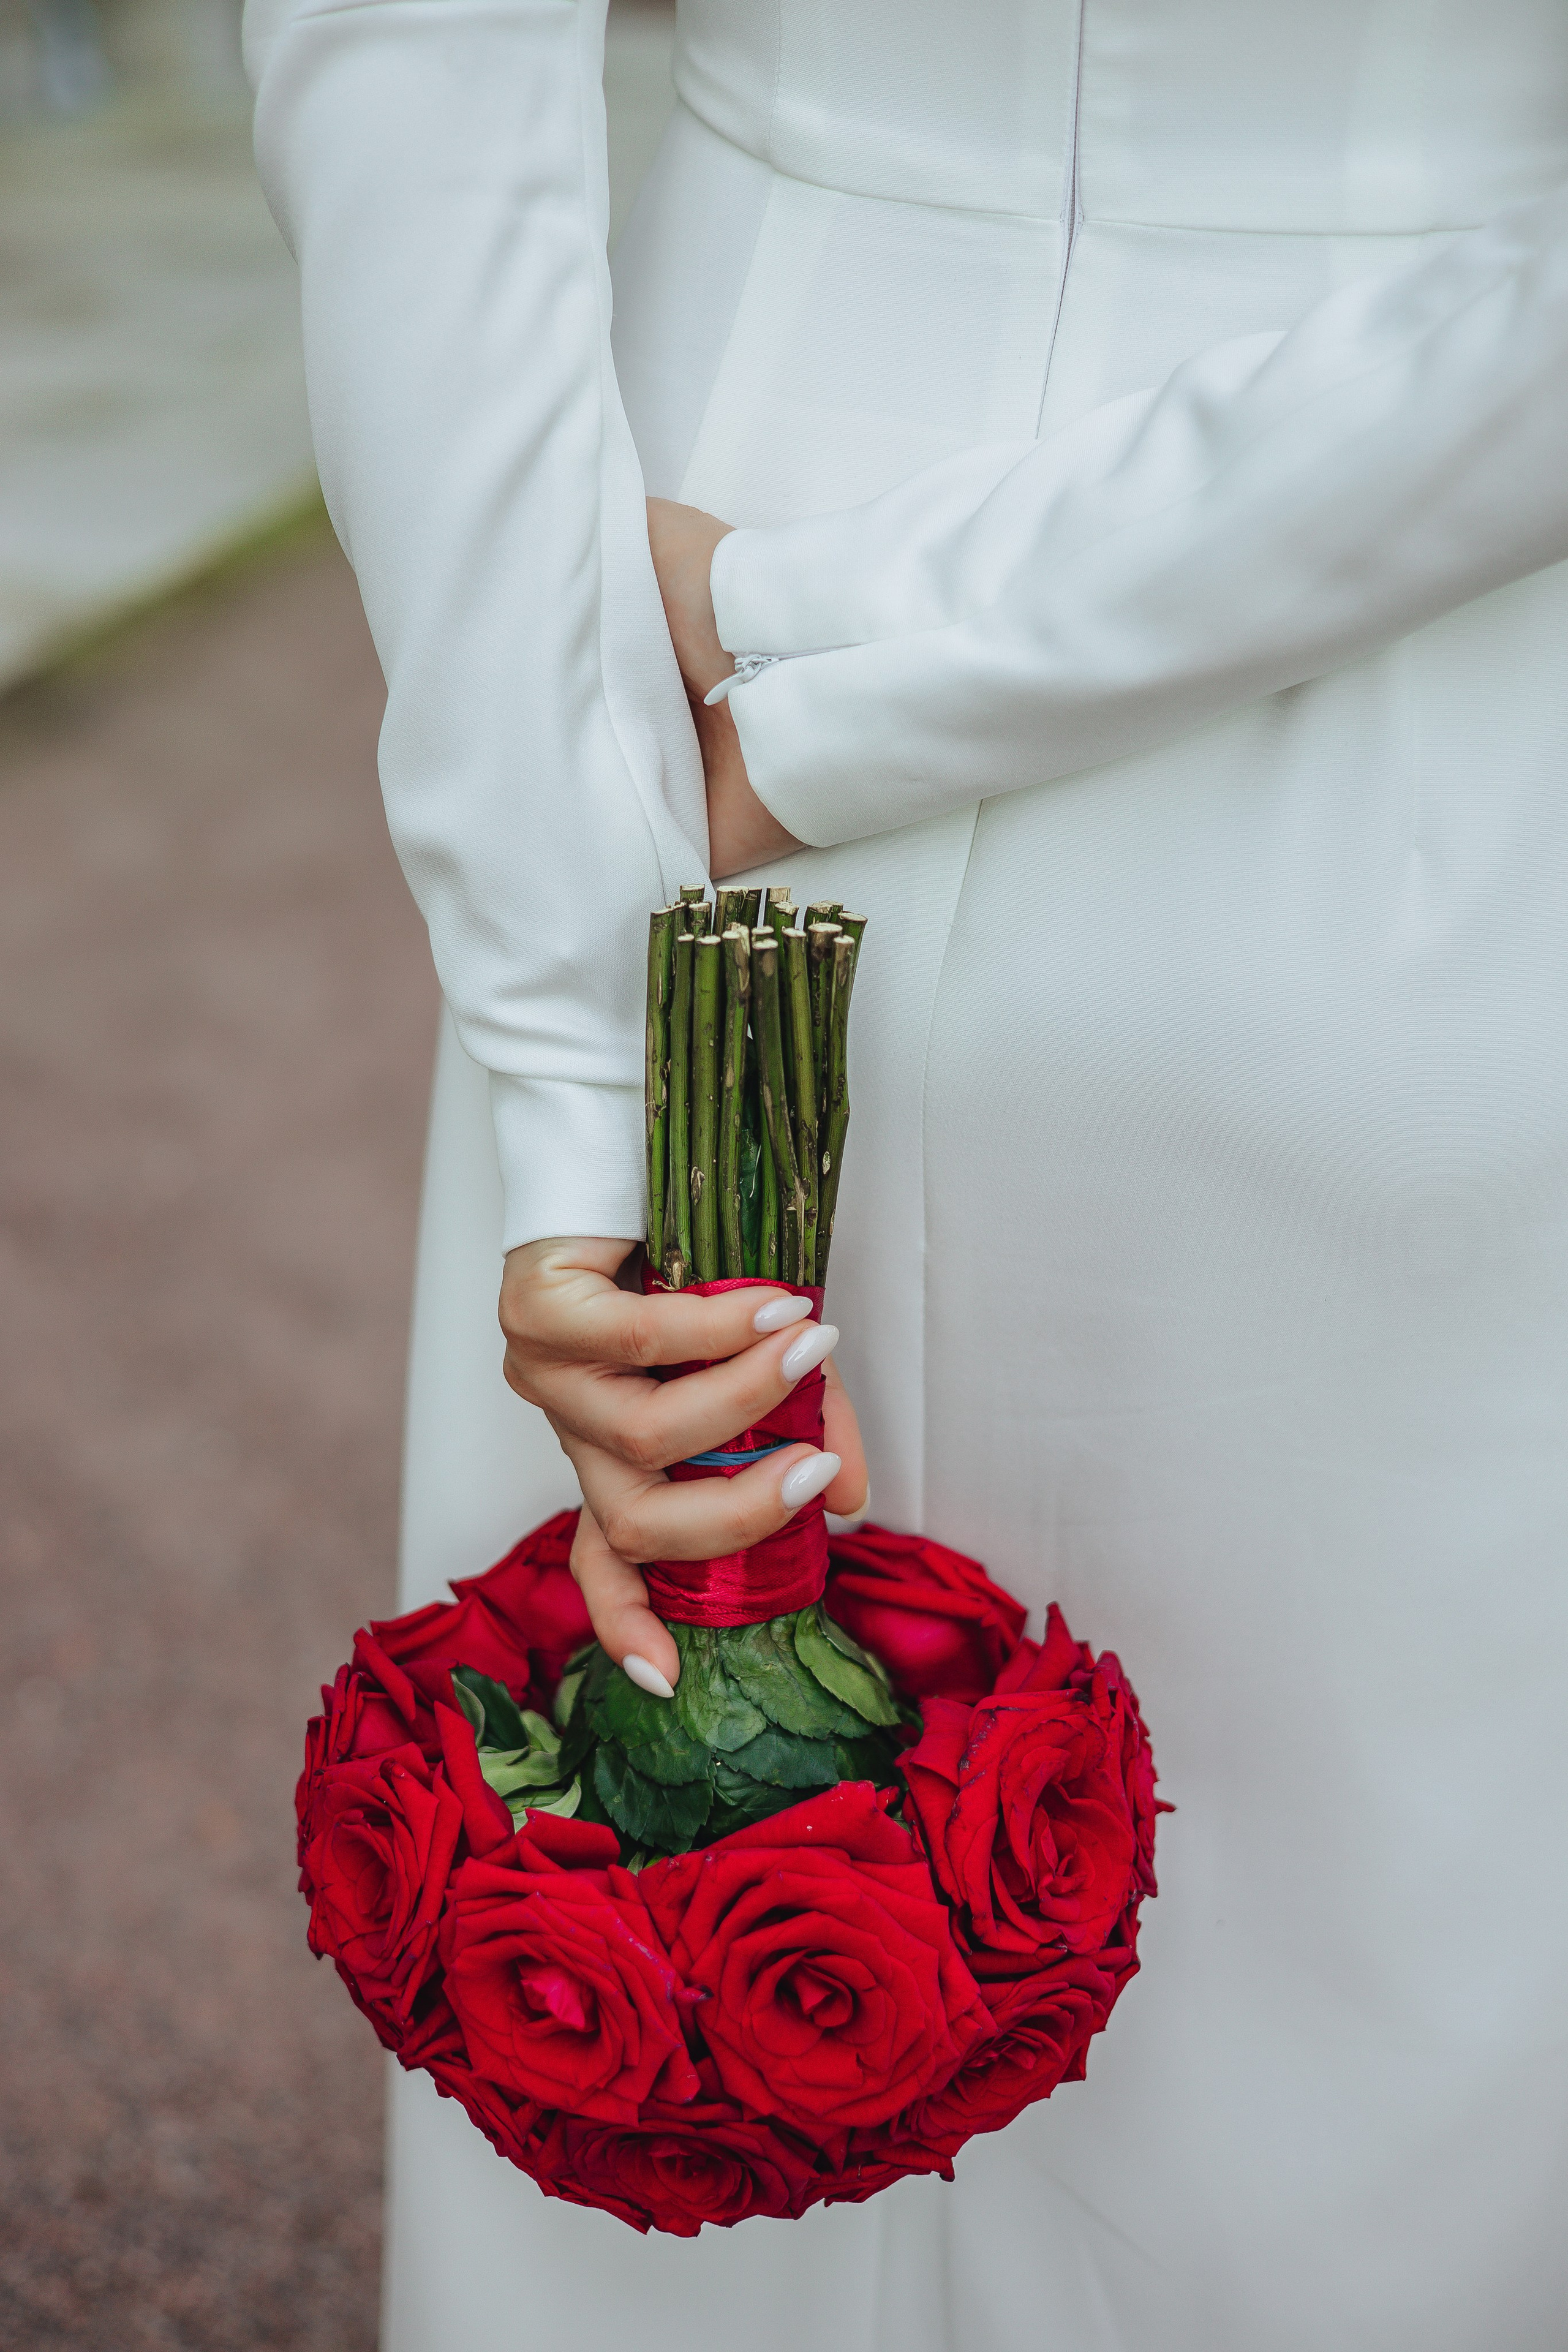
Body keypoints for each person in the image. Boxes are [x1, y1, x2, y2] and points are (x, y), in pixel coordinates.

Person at [244, 1, 1568, 2345]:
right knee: (1345, 1986)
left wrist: (597, 962)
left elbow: (408, 65)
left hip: (662, 617)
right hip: (1407, 652)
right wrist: (808, 701)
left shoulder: (655, 751)